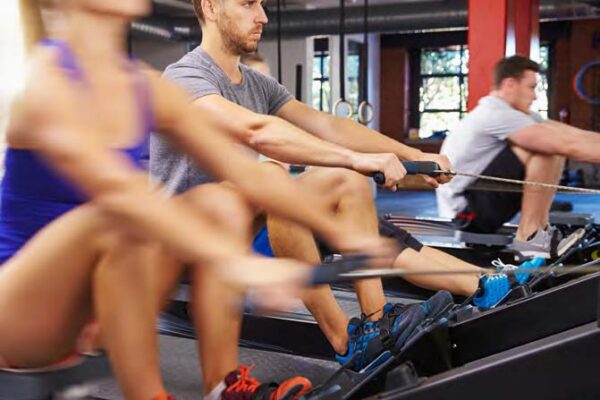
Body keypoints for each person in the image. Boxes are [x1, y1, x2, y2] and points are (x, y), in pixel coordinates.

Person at [0, 1, 398, 399]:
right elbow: (124, 195)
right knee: (114, 218)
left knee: (220, 201)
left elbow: (245, 172)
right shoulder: (44, 81)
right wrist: (239, 262)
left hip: (108, 304)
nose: (261, 13)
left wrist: (343, 235)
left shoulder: (144, 85)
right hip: (26, 318)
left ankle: (223, 386)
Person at [150, 0, 545, 394]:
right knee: (273, 179)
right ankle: (339, 336)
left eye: (263, 4)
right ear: (210, 6)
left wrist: (409, 155)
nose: (262, 16)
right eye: (248, 3)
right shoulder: (185, 76)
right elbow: (257, 131)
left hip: (242, 227)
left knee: (345, 181)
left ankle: (371, 330)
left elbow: (326, 124)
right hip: (182, 242)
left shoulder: (256, 84)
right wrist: (357, 157)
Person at [437, 55, 600, 258]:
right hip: (466, 214)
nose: (535, 96)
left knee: (550, 140)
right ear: (510, 85)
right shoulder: (495, 113)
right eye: (531, 87)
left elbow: (572, 135)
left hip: (481, 201)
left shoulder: (516, 114)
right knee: (546, 146)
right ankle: (529, 236)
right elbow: (566, 144)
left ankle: (539, 230)